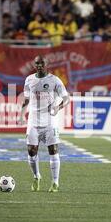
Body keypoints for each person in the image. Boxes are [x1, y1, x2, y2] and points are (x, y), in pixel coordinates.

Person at [19, 56, 69, 192]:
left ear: (47, 65)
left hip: (50, 122)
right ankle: (36, 176)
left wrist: (58, 107)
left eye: (42, 63)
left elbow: (66, 98)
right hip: (33, 121)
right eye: (37, 63)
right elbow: (26, 99)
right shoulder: (29, 80)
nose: (39, 65)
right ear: (34, 65)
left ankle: (55, 182)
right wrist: (21, 113)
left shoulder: (55, 80)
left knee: (53, 150)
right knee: (31, 151)